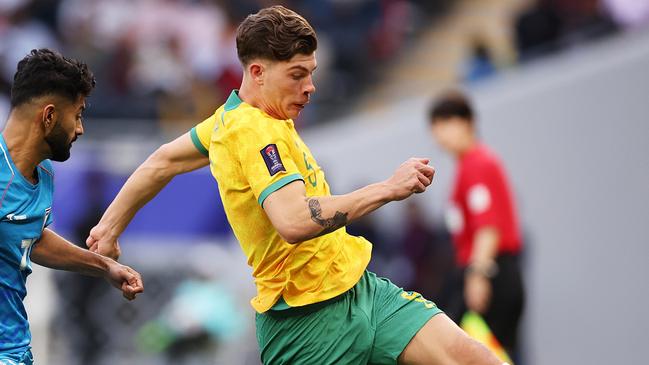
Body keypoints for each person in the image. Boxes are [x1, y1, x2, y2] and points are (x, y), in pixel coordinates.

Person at [87, 6, 504, 365]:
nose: (310, 87)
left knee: (474, 357)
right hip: (305, 325)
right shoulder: (252, 131)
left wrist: (108, 229)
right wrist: (387, 188)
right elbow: (292, 221)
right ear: (257, 72)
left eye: (312, 73)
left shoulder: (228, 121)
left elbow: (162, 161)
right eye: (297, 75)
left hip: (360, 290)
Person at [0, 49, 144, 365]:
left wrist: (105, 266)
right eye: (77, 115)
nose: (80, 129)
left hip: (17, 350)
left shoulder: (43, 172)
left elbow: (29, 236)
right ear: (49, 116)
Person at [428, 90, 525, 359]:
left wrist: (478, 274)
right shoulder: (469, 166)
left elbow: (488, 227)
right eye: (435, 126)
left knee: (473, 355)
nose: (439, 133)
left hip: (491, 274)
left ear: (466, 122)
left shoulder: (477, 165)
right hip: (487, 273)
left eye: (445, 123)